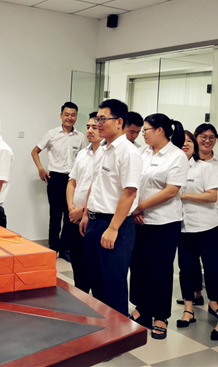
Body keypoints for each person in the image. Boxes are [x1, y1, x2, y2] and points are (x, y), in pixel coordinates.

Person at [79, 99, 142, 316]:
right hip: (94, 222)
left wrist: (113, 228)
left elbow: (129, 193)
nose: (98, 123)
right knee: (97, 282)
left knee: (114, 286)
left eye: (103, 119)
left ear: (119, 122)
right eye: (97, 119)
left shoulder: (128, 152)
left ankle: (117, 332)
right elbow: (95, 184)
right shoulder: (102, 149)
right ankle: (102, 327)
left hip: (115, 225)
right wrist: (86, 213)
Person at [129, 114, 189, 340]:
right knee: (139, 266)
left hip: (164, 222)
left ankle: (161, 316)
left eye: (146, 130)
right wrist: (135, 209)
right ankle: (142, 309)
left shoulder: (176, 156)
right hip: (139, 219)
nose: (142, 134)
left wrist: (139, 207)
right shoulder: (142, 153)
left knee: (160, 269)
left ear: (160, 130)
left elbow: (171, 191)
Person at [177, 131, 218, 341]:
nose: (185, 144)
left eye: (188, 141)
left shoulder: (205, 167)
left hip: (208, 227)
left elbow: (212, 196)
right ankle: (188, 310)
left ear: (194, 145)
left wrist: (182, 195)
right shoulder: (173, 169)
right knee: (186, 270)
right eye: (181, 142)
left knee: (213, 270)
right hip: (183, 227)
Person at [31, 102, 87, 260]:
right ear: (61, 115)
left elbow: (84, 158)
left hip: (72, 180)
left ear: (76, 117)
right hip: (55, 178)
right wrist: (41, 169)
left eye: (73, 115)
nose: (70, 117)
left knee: (70, 215)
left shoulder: (80, 137)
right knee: (55, 215)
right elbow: (35, 151)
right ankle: (53, 248)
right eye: (67, 114)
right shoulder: (52, 134)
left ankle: (65, 249)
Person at [66, 112, 102, 293]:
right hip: (75, 216)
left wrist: (83, 210)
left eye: (94, 127)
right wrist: (71, 207)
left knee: (93, 267)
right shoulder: (82, 153)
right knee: (78, 263)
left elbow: (101, 189)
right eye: (88, 127)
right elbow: (72, 182)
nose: (89, 130)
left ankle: (95, 304)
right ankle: (80, 298)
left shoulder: (106, 155)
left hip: (92, 217)